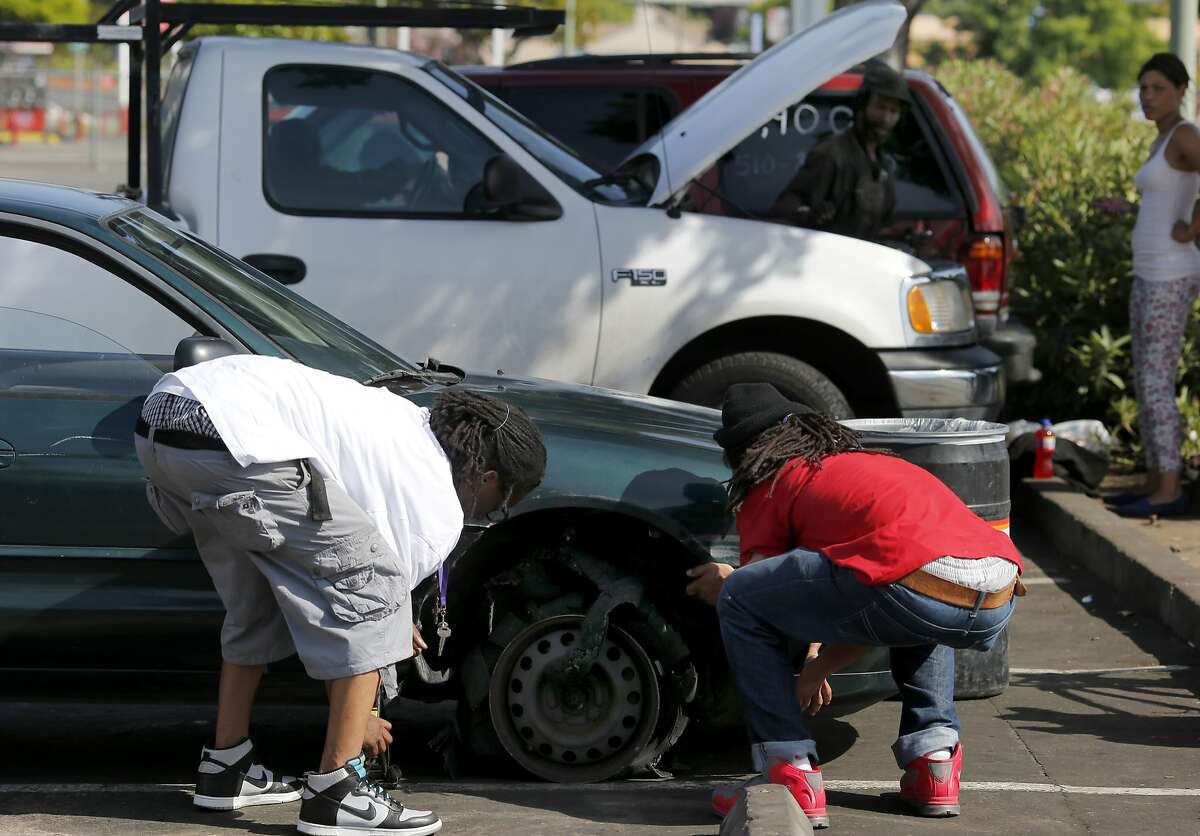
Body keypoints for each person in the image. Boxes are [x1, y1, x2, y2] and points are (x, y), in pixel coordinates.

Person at [134, 354, 546, 836]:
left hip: (166, 419)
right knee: (373, 609)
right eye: (504, 505)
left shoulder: (401, 420)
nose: (493, 513)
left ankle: (227, 768)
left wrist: (385, 615)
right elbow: (368, 611)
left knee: (257, 602)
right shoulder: (437, 508)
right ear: (489, 479)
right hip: (231, 435)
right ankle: (336, 791)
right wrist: (365, 717)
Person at [685, 383, 1023, 829]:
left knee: (739, 598)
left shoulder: (771, 481)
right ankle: (934, 762)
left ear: (745, 453)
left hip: (916, 576)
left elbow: (765, 592)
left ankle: (786, 770)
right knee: (921, 603)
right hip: (997, 585)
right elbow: (848, 589)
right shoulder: (868, 465)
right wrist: (817, 660)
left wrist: (729, 581)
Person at [1100, 53, 1200, 518]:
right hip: (1149, 272)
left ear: (1181, 90)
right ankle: (1155, 480)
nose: (1147, 96)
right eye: (1142, 88)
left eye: (1157, 87)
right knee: (1147, 380)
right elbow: (1164, 197)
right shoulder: (1163, 138)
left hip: (1171, 273)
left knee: (1157, 383)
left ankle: (1168, 491)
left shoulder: (1185, 134)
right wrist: (1123, 206)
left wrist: (1192, 227)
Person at [769, 60, 908, 241]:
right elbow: (783, 205)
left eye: (894, 111)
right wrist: (807, 213)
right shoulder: (831, 154)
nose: (886, 118)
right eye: (880, 107)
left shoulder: (880, 162)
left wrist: (900, 235)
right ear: (862, 105)